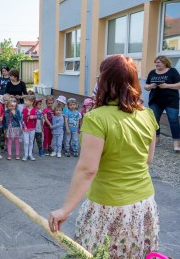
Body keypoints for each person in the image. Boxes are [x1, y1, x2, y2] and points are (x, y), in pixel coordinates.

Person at [50, 55, 160, 258]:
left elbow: (87, 169)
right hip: (143, 204)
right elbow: (148, 160)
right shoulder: (147, 114)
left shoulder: (96, 119)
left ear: (104, 81)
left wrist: (65, 209)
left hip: (109, 208)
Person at [145, 55, 180, 151]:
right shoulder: (152, 72)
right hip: (155, 101)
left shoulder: (172, 71)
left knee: (173, 120)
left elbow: (179, 84)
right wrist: (151, 86)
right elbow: (146, 86)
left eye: (158, 62)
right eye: (155, 62)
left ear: (165, 63)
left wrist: (166, 86)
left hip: (171, 100)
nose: (156, 64)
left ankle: (176, 143)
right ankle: (156, 139)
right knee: (154, 120)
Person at [22, 95, 37, 161]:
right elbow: (21, 119)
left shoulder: (35, 110)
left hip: (32, 128)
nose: (25, 102)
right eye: (24, 100)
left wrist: (33, 117)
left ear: (32, 102)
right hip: (25, 128)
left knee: (31, 142)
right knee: (26, 142)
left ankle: (30, 154)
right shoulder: (24, 110)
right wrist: (24, 126)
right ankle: (25, 155)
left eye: (26, 101)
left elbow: (39, 116)